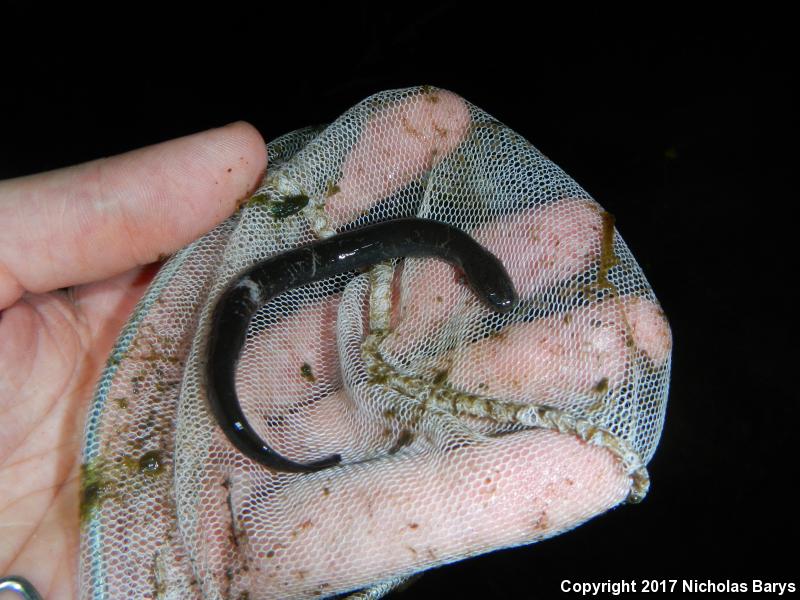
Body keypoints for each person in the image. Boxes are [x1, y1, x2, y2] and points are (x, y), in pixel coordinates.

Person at [0, 118, 644, 599]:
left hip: (263, 288)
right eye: (487, 286)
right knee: (264, 290)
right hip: (249, 292)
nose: (486, 288)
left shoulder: (453, 246)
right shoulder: (447, 244)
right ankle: (253, 418)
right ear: (475, 275)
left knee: (290, 279)